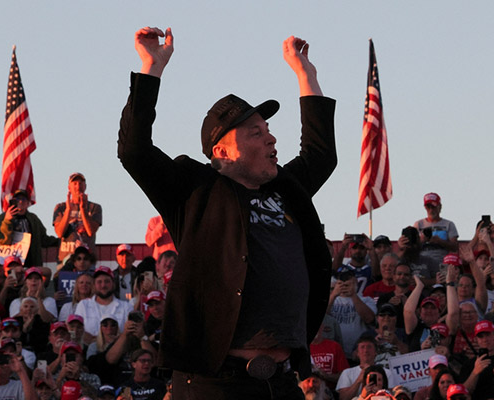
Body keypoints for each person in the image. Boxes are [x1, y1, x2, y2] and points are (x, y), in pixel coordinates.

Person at [118, 27, 336, 399]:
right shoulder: (195, 192)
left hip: (281, 383)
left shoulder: (286, 189)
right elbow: (134, 151)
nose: (271, 138)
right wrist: (151, 68)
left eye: (268, 129)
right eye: (255, 133)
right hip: (216, 384)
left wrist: (306, 75)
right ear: (222, 152)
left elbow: (320, 154)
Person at [0, 189, 58, 270]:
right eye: (17, 199)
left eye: (23, 199)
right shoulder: (3, 218)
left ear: (28, 203)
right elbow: (2, 241)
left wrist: (60, 241)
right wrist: (7, 221)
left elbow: (43, 239)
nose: (20, 202)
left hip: (31, 263)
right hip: (10, 263)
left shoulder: (33, 219)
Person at [53, 173, 102, 263]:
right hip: (65, 259)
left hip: (87, 260)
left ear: (85, 186)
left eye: (80, 183)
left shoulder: (94, 207)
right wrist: (68, 210)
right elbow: (59, 233)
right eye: (75, 183)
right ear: (69, 187)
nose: (78, 186)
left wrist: (83, 209)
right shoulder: (60, 207)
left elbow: (91, 231)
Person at [328, 268, 376, 357]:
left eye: (348, 281)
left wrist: (353, 294)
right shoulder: (331, 300)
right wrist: (334, 293)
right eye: (341, 281)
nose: (344, 284)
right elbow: (322, 318)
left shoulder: (366, 300)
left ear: (355, 282)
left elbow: (369, 319)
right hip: (335, 352)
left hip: (358, 352)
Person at [75, 266, 132, 341]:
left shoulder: (126, 307)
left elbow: (130, 333)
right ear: (94, 285)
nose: (103, 285)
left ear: (113, 284)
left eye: (107, 281)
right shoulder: (83, 305)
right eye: (99, 282)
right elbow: (77, 330)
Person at [459, 320, 494, 400]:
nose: (485, 339)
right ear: (476, 339)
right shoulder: (469, 365)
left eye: (488, 335)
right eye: (481, 336)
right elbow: (462, 394)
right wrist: (475, 372)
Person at [413, 193, 459, 264]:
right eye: (428, 207)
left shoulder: (449, 224)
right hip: (422, 263)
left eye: (433, 207)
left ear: (439, 207)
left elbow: (455, 247)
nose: (431, 210)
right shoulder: (418, 224)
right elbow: (412, 247)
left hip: (442, 261)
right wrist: (421, 241)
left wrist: (440, 241)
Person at [377, 263, 413, 329]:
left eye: (406, 274)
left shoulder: (417, 297)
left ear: (411, 278)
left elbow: (420, 318)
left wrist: (407, 305)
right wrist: (389, 305)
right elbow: (378, 319)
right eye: (399, 274)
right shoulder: (384, 298)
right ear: (393, 277)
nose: (402, 277)